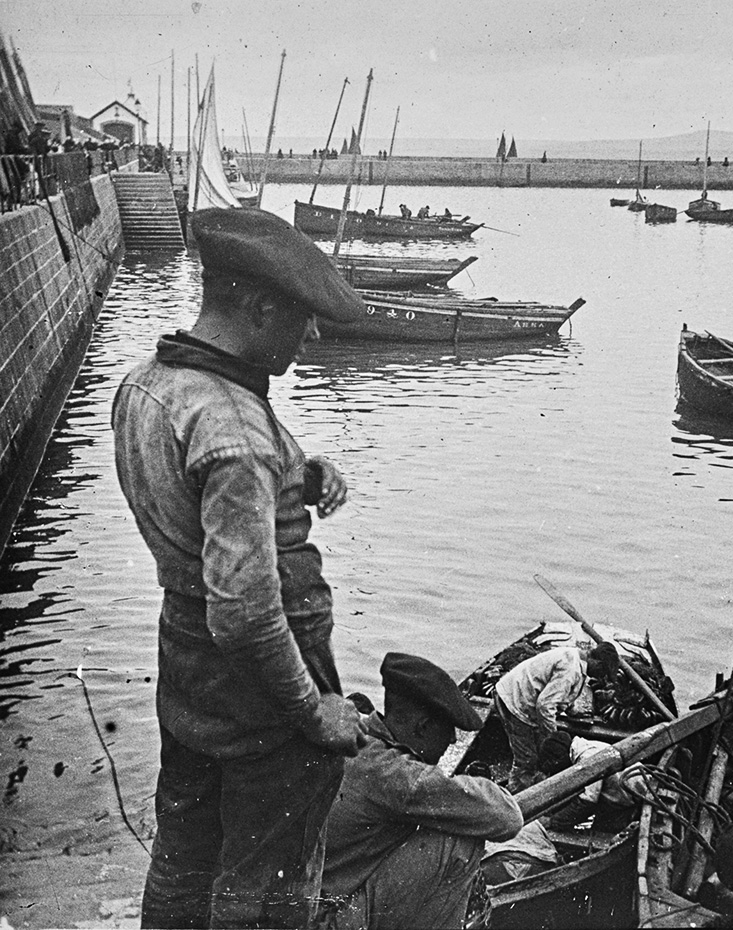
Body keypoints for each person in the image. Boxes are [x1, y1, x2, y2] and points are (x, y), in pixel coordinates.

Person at [113, 208, 366, 928]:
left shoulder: (149, 383)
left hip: (189, 669)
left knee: (184, 859)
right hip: (263, 689)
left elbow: (193, 498)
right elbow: (249, 612)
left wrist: (297, 475)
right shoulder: (234, 430)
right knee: (268, 890)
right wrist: (312, 711)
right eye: (303, 316)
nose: (312, 334)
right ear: (258, 305)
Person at [321, 654, 523, 929]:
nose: (453, 739)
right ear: (423, 726)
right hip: (330, 919)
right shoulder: (394, 774)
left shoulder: (360, 741)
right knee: (457, 841)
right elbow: (507, 817)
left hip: (311, 899)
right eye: (448, 729)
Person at [492, 641, 617, 791]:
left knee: (538, 750)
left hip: (523, 697)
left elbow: (561, 691)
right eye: (602, 672)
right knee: (527, 758)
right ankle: (517, 797)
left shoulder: (576, 658)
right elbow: (545, 706)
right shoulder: (571, 670)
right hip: (514, 701)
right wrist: (552, 739)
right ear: (596, 661)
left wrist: (571, 710)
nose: (601, 678)